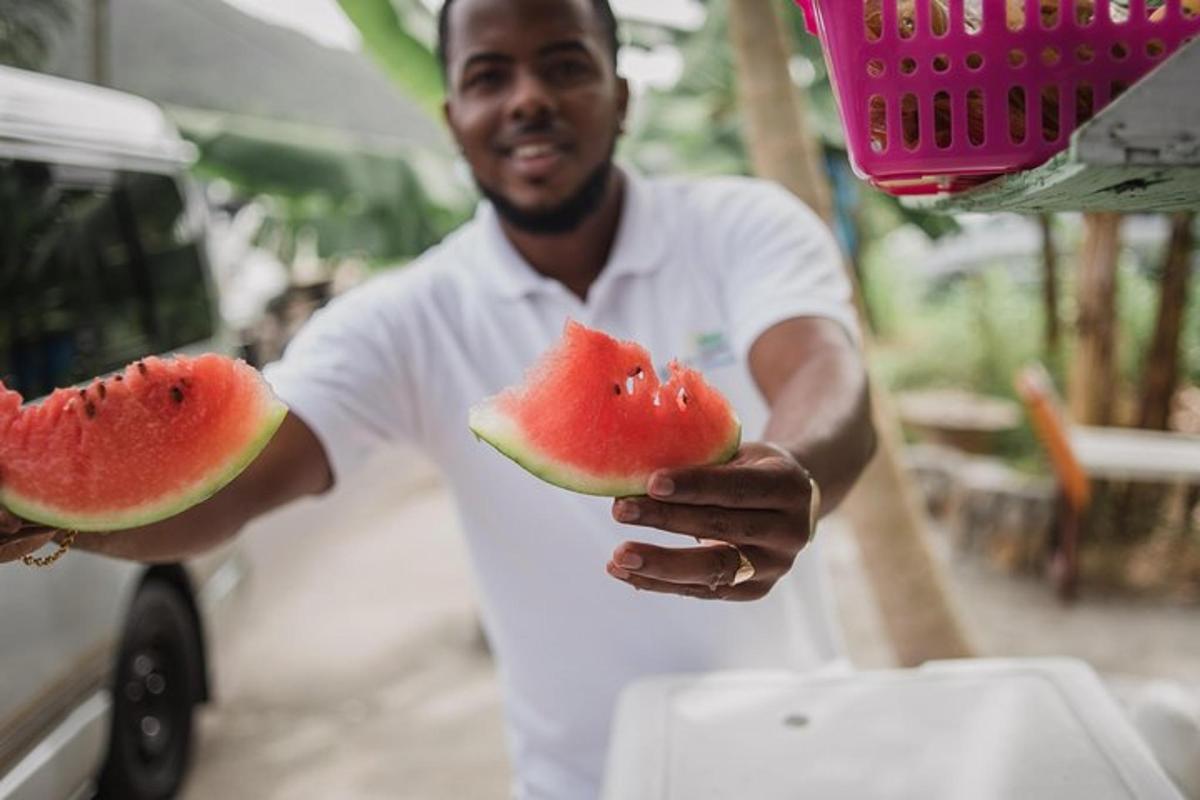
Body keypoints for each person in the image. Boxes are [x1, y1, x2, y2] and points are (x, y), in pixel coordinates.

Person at [0, 0, 877, 795]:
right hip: (580, 781)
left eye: (565, 64)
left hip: (800, 752)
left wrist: (794, 468)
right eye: (488, 76)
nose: (528, 98)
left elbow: (822, 374)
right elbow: (239, 477)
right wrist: (59, 503)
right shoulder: (406, 317)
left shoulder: (743, 225)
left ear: (621, 96)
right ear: (454, 118)